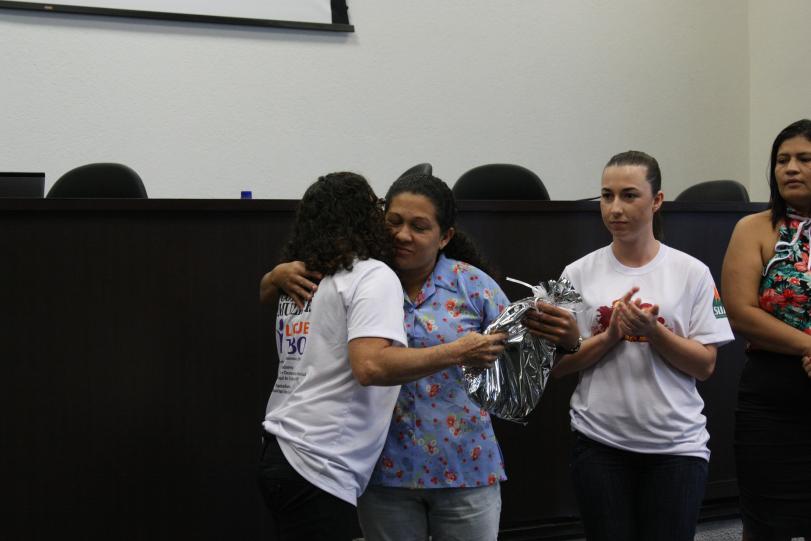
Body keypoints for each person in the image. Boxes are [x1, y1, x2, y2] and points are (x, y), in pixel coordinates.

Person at [263, 173, 575, 541]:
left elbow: (520, 370)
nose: (402, 235)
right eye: (393, 222)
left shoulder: (472, 285)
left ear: (445, 236)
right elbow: (297, 305)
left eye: (419, 226)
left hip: (465, 465)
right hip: (383, 471)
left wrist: (568, 342)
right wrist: (275, 275)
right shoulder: (359, 273)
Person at [529, 151, 734, 541]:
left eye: (629, 195)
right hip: (600, 443)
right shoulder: (577, 272)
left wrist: (655, 333)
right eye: (606, 196)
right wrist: (609, 337)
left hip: (676, 447)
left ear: (657, 201)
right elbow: (557, 367)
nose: (615, 208)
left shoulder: (691, 272)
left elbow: (705, 366)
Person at [721, 119, 811, 541]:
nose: (790, 168)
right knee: (766, 521)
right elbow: (740, 312)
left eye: (804, 159)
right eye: (782, 159)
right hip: (772, 395)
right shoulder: (753, 228)